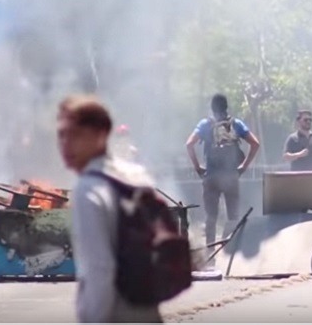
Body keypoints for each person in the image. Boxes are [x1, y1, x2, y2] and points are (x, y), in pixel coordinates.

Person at [58, 95, 162, 323]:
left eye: (76, 135)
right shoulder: (137, 176)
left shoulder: (88, 190)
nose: (66, 144)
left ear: (101, 135)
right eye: (62, 135)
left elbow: (100, 270)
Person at [185, 94, 260, 254]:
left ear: (212, 108)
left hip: (211, 177)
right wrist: (243, 166)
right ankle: (232, 252)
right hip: (231, 176)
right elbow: (255, 143)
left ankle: (210, 253)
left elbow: (189, 144)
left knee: (211, 217)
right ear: (226, 107)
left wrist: (198, 167)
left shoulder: (205, 124)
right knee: (233, 216)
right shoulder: (236, 124)